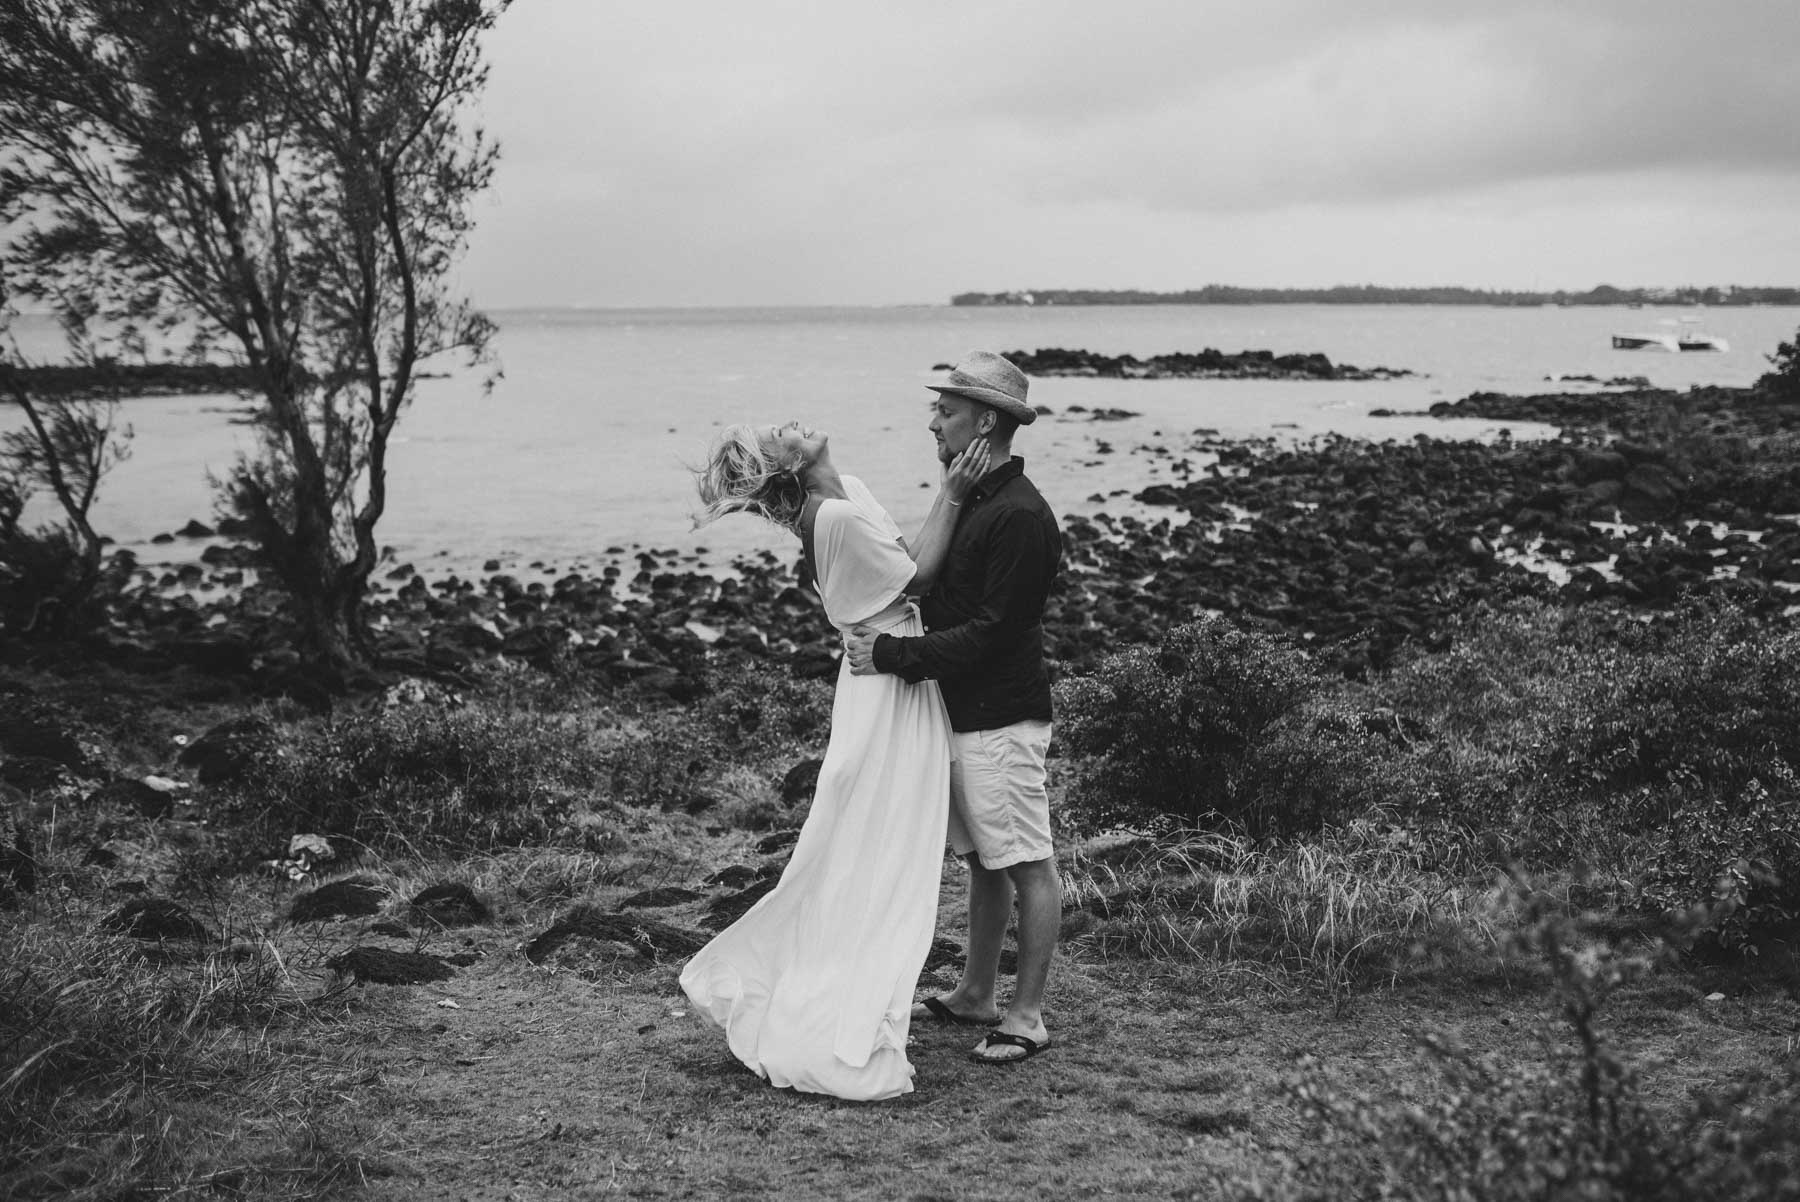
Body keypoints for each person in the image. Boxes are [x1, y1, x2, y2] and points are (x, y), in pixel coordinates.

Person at [678, 418, 990, 1101]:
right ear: (786, 467)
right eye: (779, 434)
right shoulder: (835, 517)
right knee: (876, 839)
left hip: (889, 669)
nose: (794, 424)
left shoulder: (846, 493)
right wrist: (954, 490)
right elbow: (920, 574)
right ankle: (832, 993)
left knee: (879, 835)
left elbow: (902, 558)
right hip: (886, 691)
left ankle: (856, 976)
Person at [844, 350, 1064, 1067]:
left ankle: (1026, 1016)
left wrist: (891, 657)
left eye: (946, 410)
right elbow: (932, 587)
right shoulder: (972, 498)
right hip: (964, 714)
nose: (932, 421)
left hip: (1002, 716)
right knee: (985, 862)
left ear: (986, 422)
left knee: (1027, 860)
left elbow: (990, 632)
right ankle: (976, 993)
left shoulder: (1022, 518)